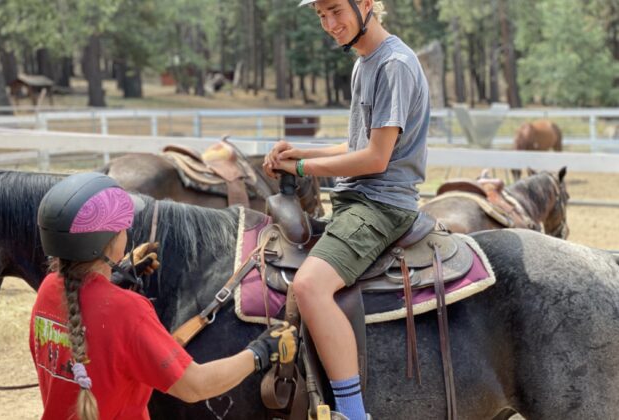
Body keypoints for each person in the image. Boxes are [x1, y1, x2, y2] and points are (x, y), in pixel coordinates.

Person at [264, 1, 430, 419]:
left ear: (368, 4)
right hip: (357, 198)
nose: (329, 24)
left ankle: (353, 413)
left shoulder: (394, 65)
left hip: (382, 203)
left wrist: (303, 167)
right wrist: (296, 151)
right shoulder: (364, 63)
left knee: (310, 286)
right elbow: (357, 144)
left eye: (335, 10)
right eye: (321, 16)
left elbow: (375, 159)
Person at [30, 172, 296, 420]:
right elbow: (196, 386)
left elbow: (90, 344)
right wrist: (261, 351)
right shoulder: (128, 310)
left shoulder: (47, 291)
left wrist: (116, 277)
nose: (127, 233)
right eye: (123, 228)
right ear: (107, 242)